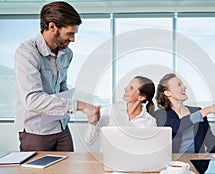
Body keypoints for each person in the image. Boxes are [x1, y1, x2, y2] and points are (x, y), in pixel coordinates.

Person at [14, 1, 100, 151]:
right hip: (36, 130)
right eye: (70, 34)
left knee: (68, 172)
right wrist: (81, 106)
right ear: (52, 27)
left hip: (60, 127)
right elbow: (32, 100)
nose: (73, 39)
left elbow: (61, 86)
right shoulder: (27, 52)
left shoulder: (67, 54)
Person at [154, 73, 215, 153]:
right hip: (174, 164)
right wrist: (207, 110)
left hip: (197, 163)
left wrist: (206, 162)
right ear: (168, 93)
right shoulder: (161, 115)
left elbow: (212, 143)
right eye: (179, 85)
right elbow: (177, 126)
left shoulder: (197, 112)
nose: (184, 87)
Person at [85, 76, 157, 145]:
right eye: (128, 86)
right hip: (110, 157)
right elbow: (89, 141)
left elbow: (150, 148)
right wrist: (93, 124)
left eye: (131, 88)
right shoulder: (111, 110)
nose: (125, 89)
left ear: (141, 97)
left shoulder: (150, 122)